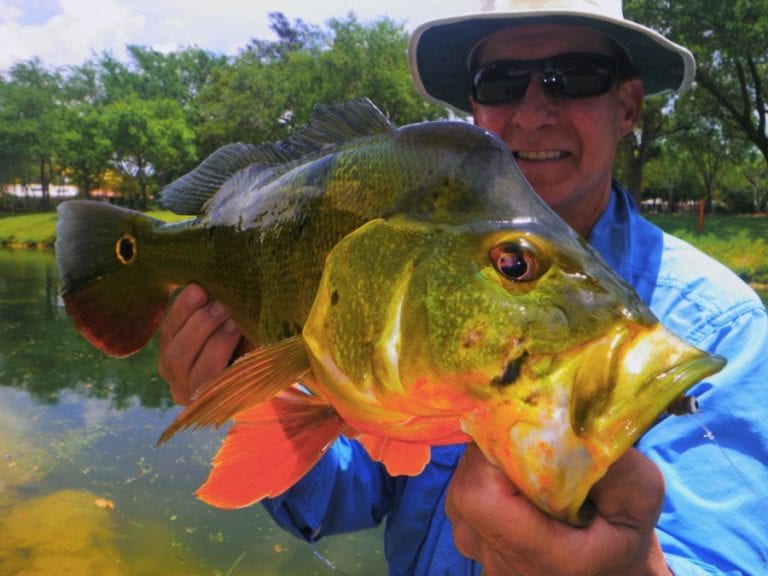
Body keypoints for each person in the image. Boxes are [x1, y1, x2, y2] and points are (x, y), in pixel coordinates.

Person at [157, 0, 768, 574]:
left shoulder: (723, 327)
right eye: (502, 82)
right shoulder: (411, 270)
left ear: (629, 105)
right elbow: (347, 493)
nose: (532, 112)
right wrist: (243, 391)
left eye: (575, 76)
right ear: (475, 109)